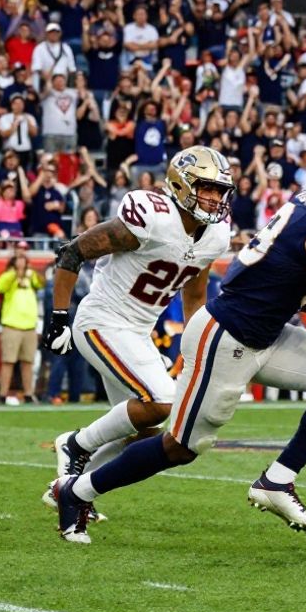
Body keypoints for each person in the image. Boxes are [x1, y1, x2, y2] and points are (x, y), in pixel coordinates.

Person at [51, 138, 306, 544]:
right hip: (228, 336)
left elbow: (276, 274)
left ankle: (277, 481)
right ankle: (76, 490)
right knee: (180, 447)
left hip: (265, 329)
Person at [42, 147, 234, 520]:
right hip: (102, 320)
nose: (213, 198)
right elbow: (72, 251)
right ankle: (75, 444)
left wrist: (192, 346)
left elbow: (195, 294)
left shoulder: (215, 236)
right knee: (161, 400)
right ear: (181, 185)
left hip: (139, 332)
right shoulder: (151, 216)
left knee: (150, 431)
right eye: (206, 188)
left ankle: (72, 491)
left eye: (219, 190)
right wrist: (59, 316)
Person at [0, 250, 42, 405]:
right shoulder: (8, 275)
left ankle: (29, 394)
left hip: (30, 326)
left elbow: (41, 283)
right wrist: (16, 273)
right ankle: (2, 394)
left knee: (28, 362)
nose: (21, 262)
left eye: (24, 259)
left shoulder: (31, 276)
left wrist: (32, 272)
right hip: (12, 325)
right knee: (8, 361)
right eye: (18, 259)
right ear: (13, 262)